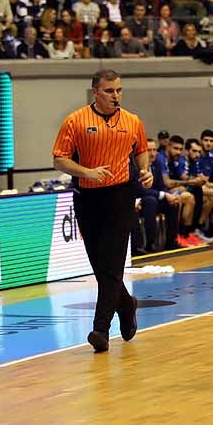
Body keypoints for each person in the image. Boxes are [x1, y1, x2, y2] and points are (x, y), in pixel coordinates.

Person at [52, 70, 152, 353]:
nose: (116, 96)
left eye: (119, 90)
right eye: (109, 91)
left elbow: (141, 149)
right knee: (100, 266)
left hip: (121, 195)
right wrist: (87, 171)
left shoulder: (132, 121)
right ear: (95, 92)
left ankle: (100, 330)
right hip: (87, 197)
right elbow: (59, 159)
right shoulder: (75, 121)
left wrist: (145, 171)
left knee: (113, 264)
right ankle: (126, 303)